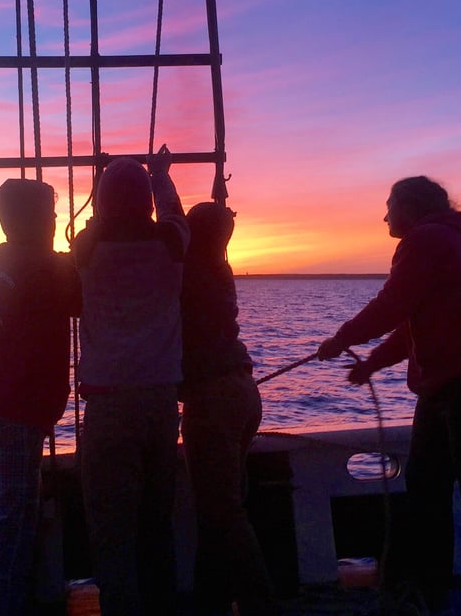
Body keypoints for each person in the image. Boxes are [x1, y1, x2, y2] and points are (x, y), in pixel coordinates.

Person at [317, 176, 461, 615]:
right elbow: (410, 325)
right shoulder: (453, 242)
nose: (384, 215)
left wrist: (342, 338)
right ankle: (427, 594)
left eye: (390, 205)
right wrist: (369, 364)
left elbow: (392, 304)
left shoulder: (425, 241)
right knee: (428, 492)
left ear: (411, 207)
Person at [74, 145, 189, 616]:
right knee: (156, 521)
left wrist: (101, 177)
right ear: (146, 202)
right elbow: (176, 215)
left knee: (112, 529)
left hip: (108, 404)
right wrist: (160, 174)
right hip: (160, 401)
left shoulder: (88, 249)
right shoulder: (171, 245)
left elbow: (94, 224)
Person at [0, 178, 81, 616]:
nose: (55, 221)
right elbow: (83, 299)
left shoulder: (1, 256)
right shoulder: (41, 265)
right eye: (50, 215)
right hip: (15, 418)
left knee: (8, 521)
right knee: (13, 529)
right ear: (34, 219)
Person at [179, 202, 278, 616]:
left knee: (223, 510)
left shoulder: (188, 270)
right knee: (218, 505)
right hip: (240, 392)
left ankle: (261, 606)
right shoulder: (217, 269)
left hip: (212, 399)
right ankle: (211, 600)